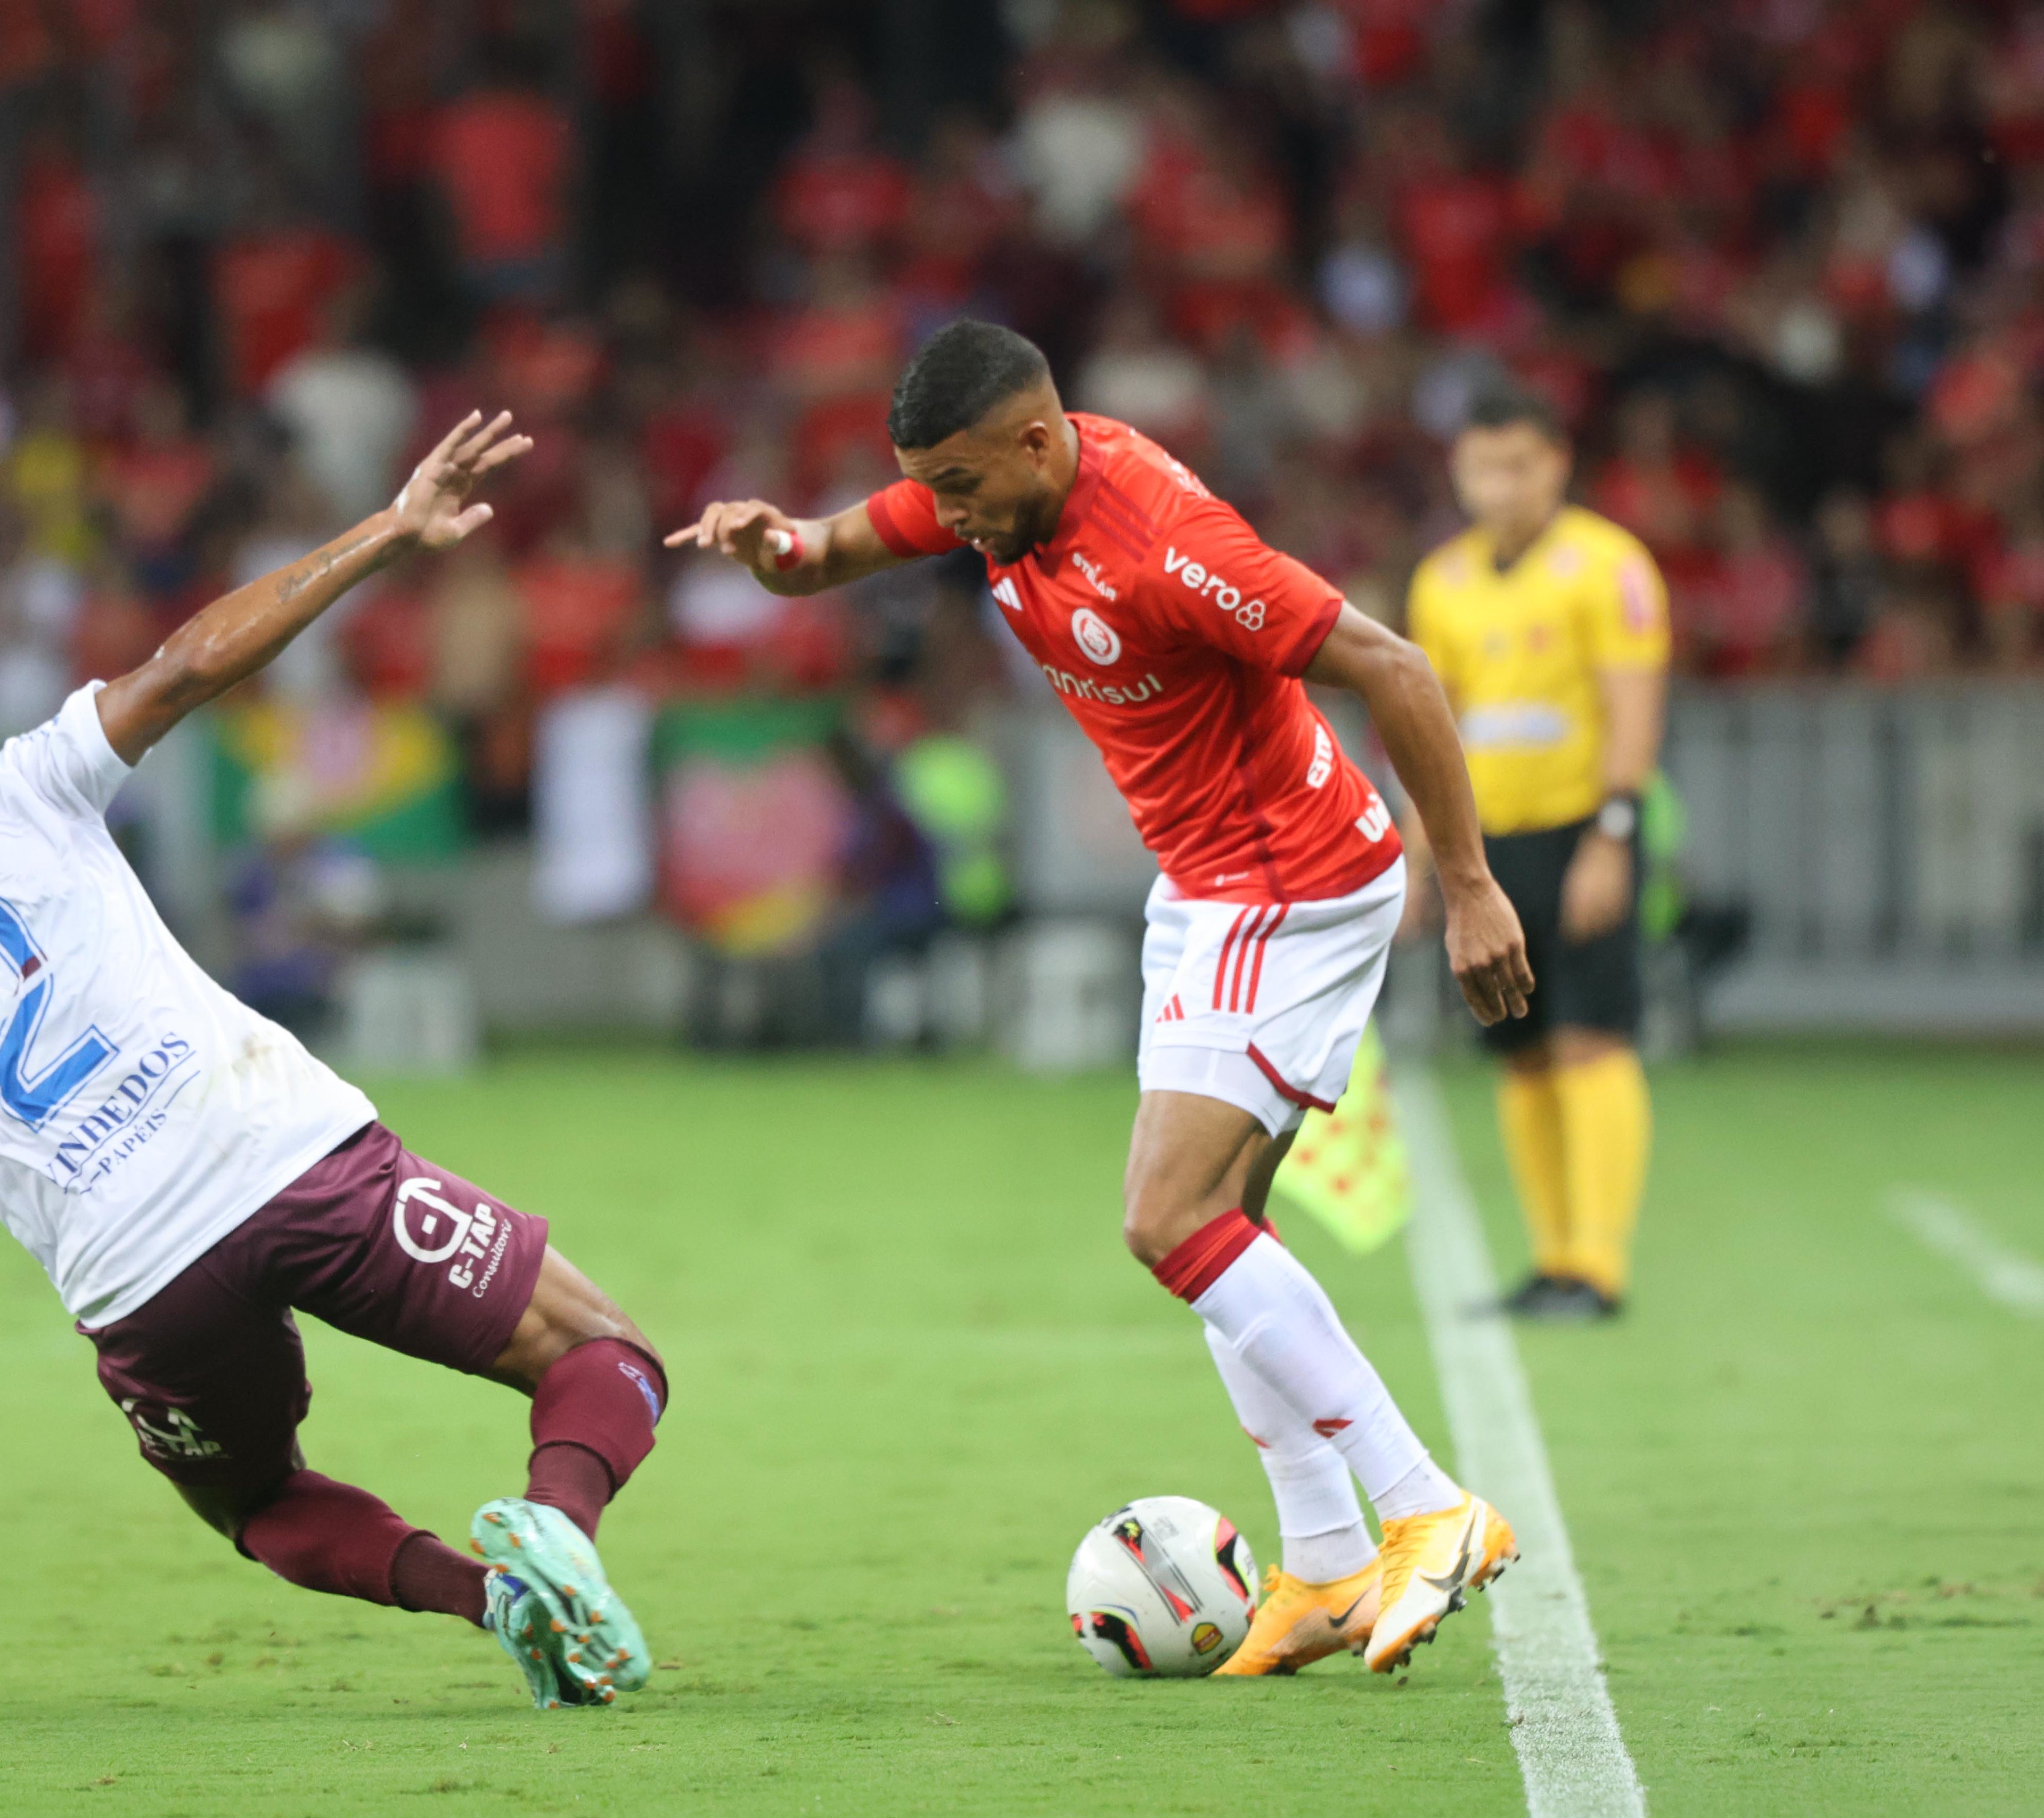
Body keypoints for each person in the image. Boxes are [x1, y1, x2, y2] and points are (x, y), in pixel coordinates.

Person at [0, 413, 666, 1711]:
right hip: (282, 1154)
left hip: (134, 1279)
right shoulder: (12, 792)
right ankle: (557, 1529)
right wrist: (386, 531)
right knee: (602, 1354)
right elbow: (188, 664)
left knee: (257, 1502)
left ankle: (494, 1596)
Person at [668, 320, 1533, 1680]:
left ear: (1036, 437)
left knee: (1164, 1213)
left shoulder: (1169, 546)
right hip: (1203, 885)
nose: (945, 515)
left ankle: (1424, 1501)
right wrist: (771, 544)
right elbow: (827, 554)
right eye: (929, 487)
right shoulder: (993, 494)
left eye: (958, 484)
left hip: (1284, 883)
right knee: (1220, 1230)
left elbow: (1399, 668)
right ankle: (1316, 1563)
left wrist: (1472, 885)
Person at [1405, 387, 1669, 1320]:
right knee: (1519, 1051)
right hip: (1488, 850)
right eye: (1481, 466)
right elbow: (1428, 729)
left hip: (1580, 831)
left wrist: (1615, 831)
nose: (1498, 485)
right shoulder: (1442, 582)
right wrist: (1420, 859)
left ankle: (1599, 1265)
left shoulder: (1610, 566)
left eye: (1517, 464)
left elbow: (1634, 705)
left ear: (1557, 463)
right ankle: (1554, 1259)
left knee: (1591, 1038)